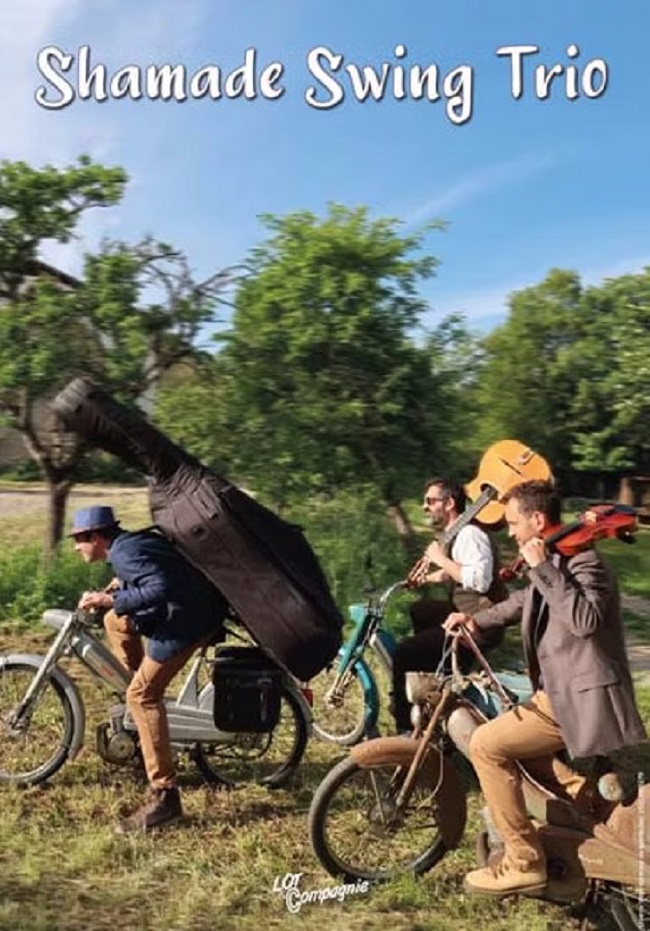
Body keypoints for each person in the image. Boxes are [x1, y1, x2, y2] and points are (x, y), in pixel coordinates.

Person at [443, 479, 647, 897]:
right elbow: (522, 602)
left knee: (485, 745)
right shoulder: (555, 561)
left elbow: (585, 622)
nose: (510, 533)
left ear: (537, 520)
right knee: (521, 749)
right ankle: (584, 802)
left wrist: (544, 568)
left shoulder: (586, 564)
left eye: (514, 523)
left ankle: (523, 861)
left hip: (579, 698)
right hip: (554, 693)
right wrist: (475, 620)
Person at [70, 504, 228, 833]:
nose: (76, 547)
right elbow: (148, 574)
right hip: (187, 612)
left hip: (186, 622)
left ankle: (166, 797)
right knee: (115, 622)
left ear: (96, 537)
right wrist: (112, 591)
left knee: (142, 696)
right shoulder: (126, 546)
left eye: (79, 539)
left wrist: (107, 600)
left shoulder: (125, 551)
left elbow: (160, 588)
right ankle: (142, 716)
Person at [391, 477, 508, 732]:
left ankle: (406, 729)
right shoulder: (458, 532)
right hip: (464, 611)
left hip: (478, 622)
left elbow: (479, 580)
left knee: (403, 653)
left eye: (430, 501)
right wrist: (426, 579)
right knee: (420, 611)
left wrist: (438, 558)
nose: (425, 507)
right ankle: (436, 681)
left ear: (450, 503)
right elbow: (459, 569)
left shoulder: (470, 534)